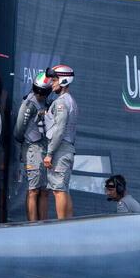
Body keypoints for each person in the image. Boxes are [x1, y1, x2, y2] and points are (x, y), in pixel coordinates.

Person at [14, 72, 53, 221]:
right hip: (32, 148)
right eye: (37, 90)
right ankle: (32, 225)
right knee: (33, 190)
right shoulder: (29, 104)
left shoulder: (48, 103)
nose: (39, 94)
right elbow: (18, 130)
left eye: (42, 92)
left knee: (44, 190)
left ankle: (43, 223)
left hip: (45, 148)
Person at [43, 64, 78, 220]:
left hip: (60, 149)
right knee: (64, 189)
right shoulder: (70, 101)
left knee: (58, 191)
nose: (52, 83)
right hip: (66, 149)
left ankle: (62, 227)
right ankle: (68, 226)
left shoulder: (61, 102)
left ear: (64, 80)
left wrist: (50, 153)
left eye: (55, 80)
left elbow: (59, 130)